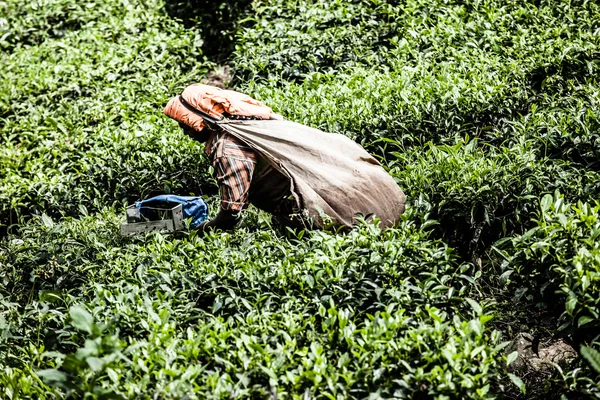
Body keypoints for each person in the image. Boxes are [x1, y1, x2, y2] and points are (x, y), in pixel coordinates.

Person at [164, 84, 406, 232]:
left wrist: (200, 230)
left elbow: (231, 214)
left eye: (184, 124)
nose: (185, 131)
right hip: (361, 188)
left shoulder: (227, 146)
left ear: (201, 122)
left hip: (316, 210)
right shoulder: (253, 120)